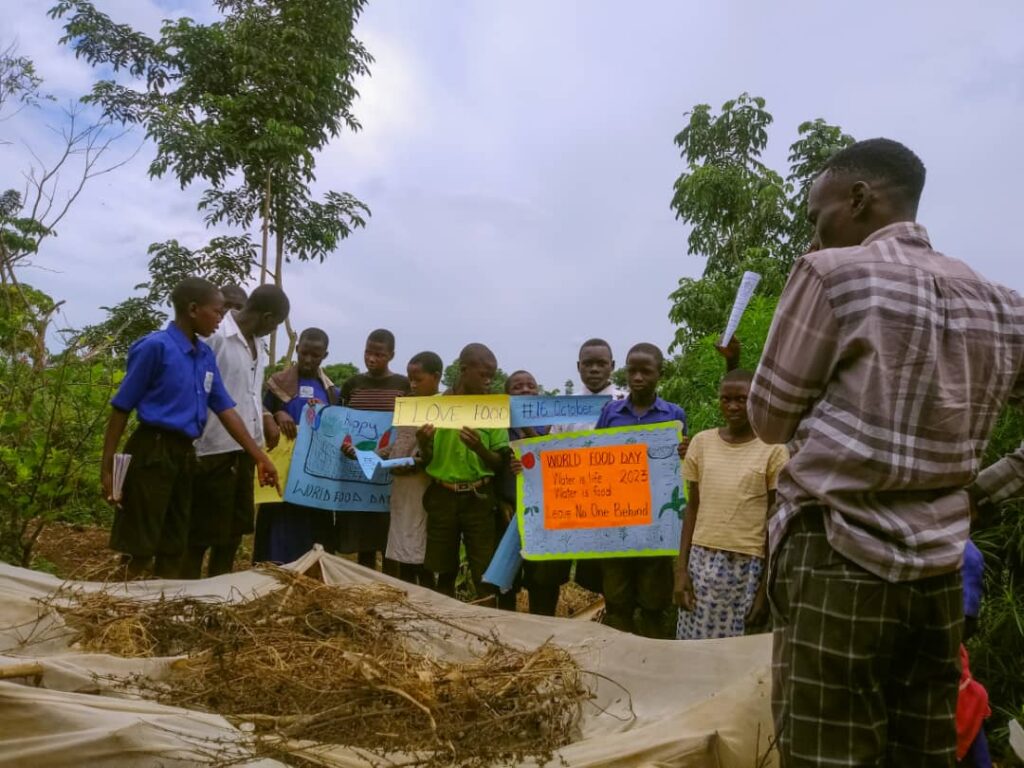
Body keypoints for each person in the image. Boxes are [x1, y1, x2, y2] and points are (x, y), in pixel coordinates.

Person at [747, 138, 1024, 766]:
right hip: (940, 569)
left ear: (859, 198)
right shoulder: (1004, 304)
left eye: (818, 217)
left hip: (837, 555)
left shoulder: (831, 274)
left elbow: (767, 420)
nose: (815, 234)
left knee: (827, 753)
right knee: (924, 750)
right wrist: (983, 490)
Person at [100, 277, 279, 579]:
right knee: (139, 546)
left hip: (185, 456)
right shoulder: (155, 347)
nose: (222, 318)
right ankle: (118, 602)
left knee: (175, 545)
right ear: (193, 309)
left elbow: (225, 408)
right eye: (217, 311)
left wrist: (259, 456)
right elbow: (121, 408)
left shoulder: (204, 355)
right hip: (152, 452)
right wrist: (107, 468)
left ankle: (166, 604)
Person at [181, 284, 290, 579]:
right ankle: (186, 592)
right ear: (267, 318)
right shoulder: (215, 337)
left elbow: (248, 394)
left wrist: (265, 416)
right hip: (212, 448)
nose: (273, 330)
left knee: (232, 534)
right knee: (200, 535)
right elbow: (198, 390)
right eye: (276, 325)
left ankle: (219, 594)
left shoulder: (259, 346)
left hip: (246, 451)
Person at [674, 369, 787, 639]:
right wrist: (681, 570)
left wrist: (764, 590)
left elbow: (775, 520)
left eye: (741, 399)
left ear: (757, 400)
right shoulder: (702, 443)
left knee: (738, 651)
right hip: (701, 563)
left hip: (748, 567)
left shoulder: (774, 450)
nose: (733, 406)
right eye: (726, 399)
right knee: (694, 648)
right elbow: (692, 508)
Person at [594, 342, 688, 638]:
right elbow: (594, 455)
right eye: (632, 370)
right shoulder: (611, 413)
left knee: (653, 596)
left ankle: (652, 651)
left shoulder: (674, 414)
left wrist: (685, 451)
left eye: (645, 371)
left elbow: (680, 464)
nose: (637, 377)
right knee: (616, 593)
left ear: (660, 373)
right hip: (616, 516)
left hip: (656, 517)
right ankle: (619, 651)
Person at [417, 343, 508, 599]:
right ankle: (444, 618)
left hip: (479, 498)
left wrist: (479, 448)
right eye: (484, 375)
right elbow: (426, 460)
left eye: (492, 375)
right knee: (442, 569)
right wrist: (423, 443)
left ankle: (487, 620)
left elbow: (499, 463)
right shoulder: (435, 407)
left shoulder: (492, 409)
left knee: (484, 571)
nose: (489, 381)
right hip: (442, 496)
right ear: (463, 369)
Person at [253, 327, 341, 564]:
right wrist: (275, 414)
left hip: (314, 478)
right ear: (297, 349)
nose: (308, 359)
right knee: (280, 525)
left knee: (314, 528)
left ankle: (313, 569)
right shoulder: (277, 383)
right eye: (304, 353)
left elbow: (337, 426)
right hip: (284, 474)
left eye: (315, 355)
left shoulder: (332, 392)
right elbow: (259, 409)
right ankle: (275, 566)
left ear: (325, 355)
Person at [549, 338, 625, 596]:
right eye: (588, 363)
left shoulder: (626, 401)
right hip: (572, 499)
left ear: (612, 366)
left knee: (611, 574)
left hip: (615, 503)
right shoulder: (564, 406)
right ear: (578, 366)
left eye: (601, 363)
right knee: (559, 570)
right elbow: (551, 450)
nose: (594, 369)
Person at [338, 329, 411, 572]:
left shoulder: (403, 385)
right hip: (358, 474)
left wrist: (391, 450)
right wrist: (347, 447)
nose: (371, 358)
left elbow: (408, 428)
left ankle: (390, 584)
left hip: (390, 473)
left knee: (389, 535)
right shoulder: (352, 385)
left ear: (391, 355)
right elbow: (341, 422)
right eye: (368, 352)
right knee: (364, 537)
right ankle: (367, 584)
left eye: (379, 354)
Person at [383, 351, 443, 586]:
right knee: (403, 545)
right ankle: (408, 592)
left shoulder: (445, 408)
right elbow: (401, 441)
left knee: (422, 547)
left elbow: (435, 453)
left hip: (425, 487)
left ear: (436, 377)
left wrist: (412, 461)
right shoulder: (408, 405)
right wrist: (378, 455)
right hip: (402, 487)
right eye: (410, 379)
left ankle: (426, 594)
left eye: (418, 379)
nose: (413, 384)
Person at [498, 370, 550, 611]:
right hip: (507, 510)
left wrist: (526, 430)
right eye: (517, 387)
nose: (526, 390)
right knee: (506, 577)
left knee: (541, 579)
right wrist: (500, 502)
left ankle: (542, 623)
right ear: (506, 395)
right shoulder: (498, 425)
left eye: (531, 385)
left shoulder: (549, 423)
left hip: (542, 512)